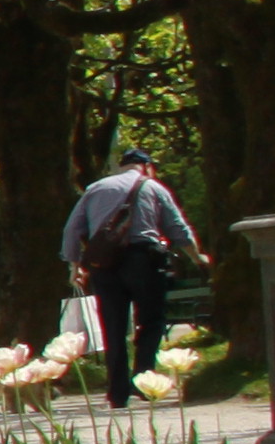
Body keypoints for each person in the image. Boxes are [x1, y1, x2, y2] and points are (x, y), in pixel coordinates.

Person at [61, 149, 206, 408]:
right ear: (147, 166)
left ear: (122, 166)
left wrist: (74, 265)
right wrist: (197, 257)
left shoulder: (95, 188)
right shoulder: (154, 188)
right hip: (143, 259)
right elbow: (177, 227)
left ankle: (117, 393)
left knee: (112, 325)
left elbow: (73, 228)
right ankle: (143, 379)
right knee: (152, 318)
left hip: (104, 263)